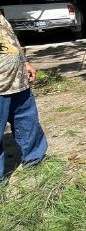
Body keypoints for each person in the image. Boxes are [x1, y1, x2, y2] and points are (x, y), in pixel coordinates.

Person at [0, 13, 47, 187]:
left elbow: (9, 39)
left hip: (18, 81)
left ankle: (35, 159)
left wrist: (25, 61)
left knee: (28, 122)